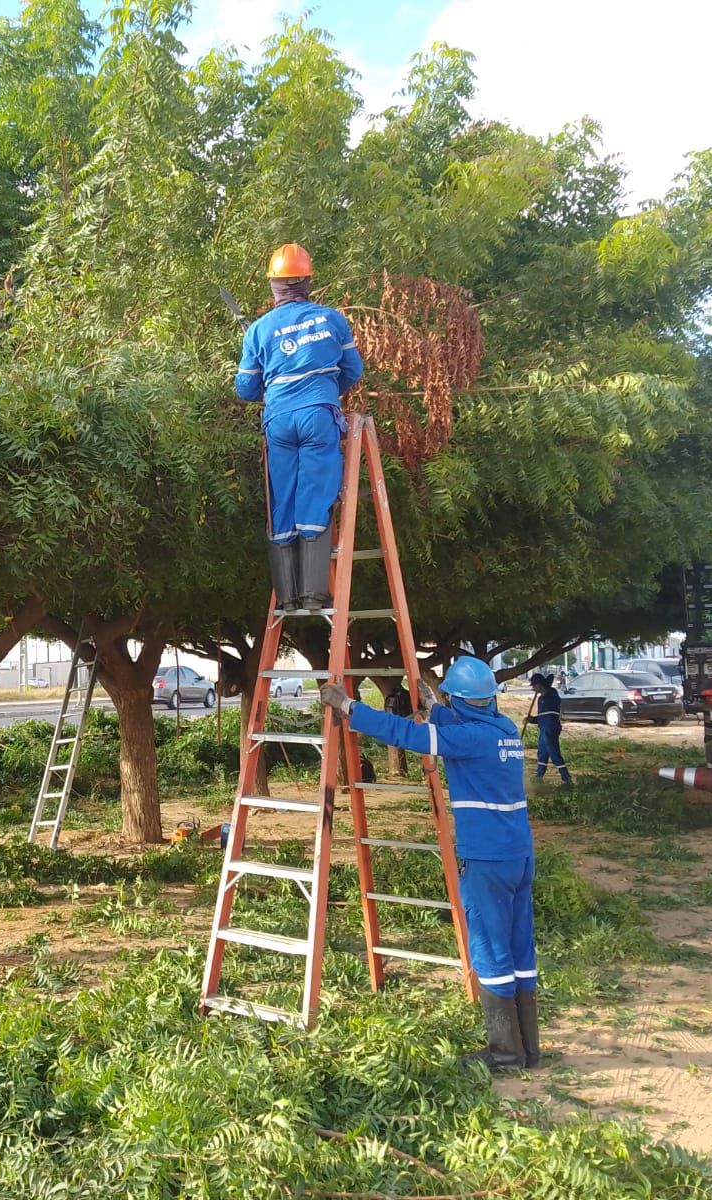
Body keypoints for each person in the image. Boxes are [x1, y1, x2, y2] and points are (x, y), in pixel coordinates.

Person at [319, 656, 540, 1072]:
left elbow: (405, 734)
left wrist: (349, 707)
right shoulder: (504, 729)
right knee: (519, 948)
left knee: (490, 950)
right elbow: (460, 727)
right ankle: (529, 1049)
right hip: (519, 855)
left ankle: (505, 1054)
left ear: (459, 700)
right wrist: (436, 706)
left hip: (487, 859)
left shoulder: (467, 739)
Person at [235, 243, 363, 614]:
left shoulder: (258, 331)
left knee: (283, 499)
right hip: (317, 416)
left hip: (278, 420)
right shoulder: (332, 319)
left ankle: (288, 598)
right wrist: (322, 394)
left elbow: (244, 388)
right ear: (306, 281)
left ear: (274, 284)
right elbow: (353, 370)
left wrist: (275, 385)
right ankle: (312, 593)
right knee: (317, 492)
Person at [530, 672, 571, 784]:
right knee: (542, 754)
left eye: (534, 686)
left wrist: (545, 691)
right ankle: (539, 776)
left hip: (551, 729)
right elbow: (542, 717)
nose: (533, 688)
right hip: (543, 729)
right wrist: (532, 719)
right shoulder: (540, 699)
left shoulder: (552, 696)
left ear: (539, 685)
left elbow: (551, 714)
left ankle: (566, 778)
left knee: (554, 753)